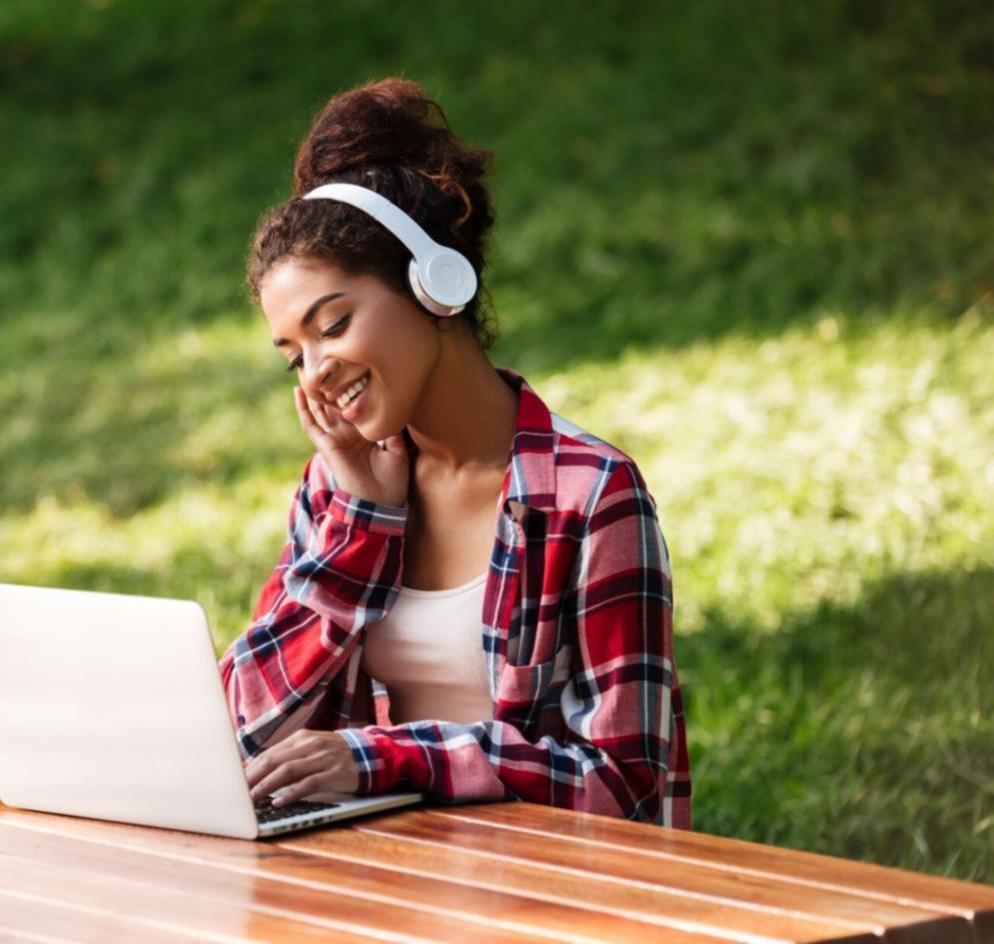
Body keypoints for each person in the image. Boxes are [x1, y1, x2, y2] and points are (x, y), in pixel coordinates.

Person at [218, 77, 691, 829]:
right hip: (369, 876)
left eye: (332, 325)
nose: (315, 374)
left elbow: (620, 781)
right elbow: (242, 725)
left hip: (546, 895)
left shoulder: (588, 493)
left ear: (432, 287)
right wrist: (362, 525)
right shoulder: (335, 490)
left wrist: (390, 755)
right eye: (292, 355)